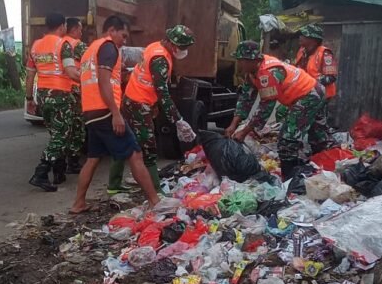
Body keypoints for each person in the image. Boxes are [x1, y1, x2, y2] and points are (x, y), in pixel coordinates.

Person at [70, 15, 161, 214]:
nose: (125, 41)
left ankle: (78, 203)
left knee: (93, 158)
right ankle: (155, 202)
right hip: (105, 111)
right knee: (135, 154)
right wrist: (116, 114)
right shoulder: (108, 47)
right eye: (124, 36)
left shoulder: (90, 50)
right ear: (112, 30)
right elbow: (103, 80)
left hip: (91, 111)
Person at [107, 25, 197, 194]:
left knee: (123, 141)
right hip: (139, 105)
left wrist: (155, 106)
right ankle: (155, 191)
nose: (184, 51)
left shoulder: (154, 46)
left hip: (131, 100)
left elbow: (147, 80)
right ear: (172, 44)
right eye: (183, 47)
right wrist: (178, 120)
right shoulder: (160, 59)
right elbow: (162, 93)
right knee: (149, 148)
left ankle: (114, 185)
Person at [223, 40, 328, 179]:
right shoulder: (251, 73)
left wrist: (244, 132)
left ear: (252, 60)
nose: (239, 64)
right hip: (305, 95)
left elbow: (266, 107)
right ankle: (317, 168)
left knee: (288, 138)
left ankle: (290, 178)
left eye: (241, 60)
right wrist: (233, 125)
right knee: (315, 134)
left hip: (309, 94)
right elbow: (245, 100)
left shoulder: (268, 73)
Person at [25, 12, 81, 191]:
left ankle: (59, 172)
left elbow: (30, 74)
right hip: (60, 95)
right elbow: (71, 72)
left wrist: (29, 98)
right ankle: (40, 173)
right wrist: (89, 80)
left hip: (42, 94)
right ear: (62, 26)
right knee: (61, 134)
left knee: (56, 132)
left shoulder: (36, 46)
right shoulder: (62, 43)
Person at [63, 17, 88, 174]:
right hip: (75, 89)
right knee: (78, 126)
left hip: (60, 90)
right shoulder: (78, 45)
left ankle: (62, 161)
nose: (81, 31)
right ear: (73, 30)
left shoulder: (60, 43)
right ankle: (73, 162)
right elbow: (93, 58)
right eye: (80, 29)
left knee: (66, 126)